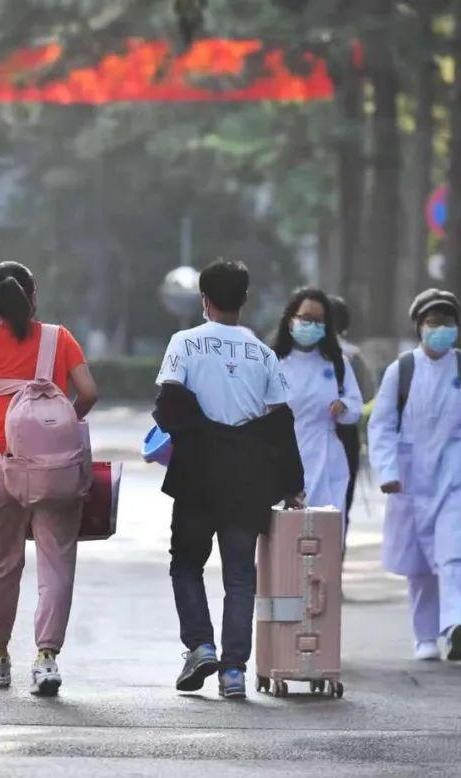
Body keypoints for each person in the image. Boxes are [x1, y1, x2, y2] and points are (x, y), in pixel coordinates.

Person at [153, 259, 304, 699]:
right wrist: (293, 483)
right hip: (248, 476)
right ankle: (234, 672)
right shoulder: (263, 352)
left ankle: (200, 646)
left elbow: (169, 405)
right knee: (240, 574)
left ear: (204, 301)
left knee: (186, 563)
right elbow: (281, 422)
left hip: (197, 472)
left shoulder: (184, 343)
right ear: (244, 300)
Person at [0, 261, 98, 695]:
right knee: (56, 563)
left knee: (1, 567)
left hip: (0, 469)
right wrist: (59, 429)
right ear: (33, 294)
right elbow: (89, 392)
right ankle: (46, 659)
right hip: (54, 474)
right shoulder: (60, 339)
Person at [368, 289, 461, 662]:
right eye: (432, 323)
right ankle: (425, 636)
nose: (440, 329)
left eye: (447, 323)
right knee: (420, 566)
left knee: (454, 554)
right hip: (412, 479)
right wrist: (388, 470)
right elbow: (381, 426)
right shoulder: (402, 370)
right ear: (419, 327)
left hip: (459, 474)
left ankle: (457, 623)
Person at [272, 288, 363, 527]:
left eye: (318, 320)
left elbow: (355, 404)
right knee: (286, 544)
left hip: (327, 458)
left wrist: (343, 407)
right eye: (305, 318)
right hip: (281, 457)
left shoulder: (336, 364)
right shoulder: (273, 363)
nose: (311, 325)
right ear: (291, 319)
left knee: (325, 539)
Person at [328, 295, 375, 527]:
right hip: (346, 435)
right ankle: (337, 555)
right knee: (341, 501)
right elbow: (367, 393)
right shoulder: (354, 356)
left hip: (312, 432)